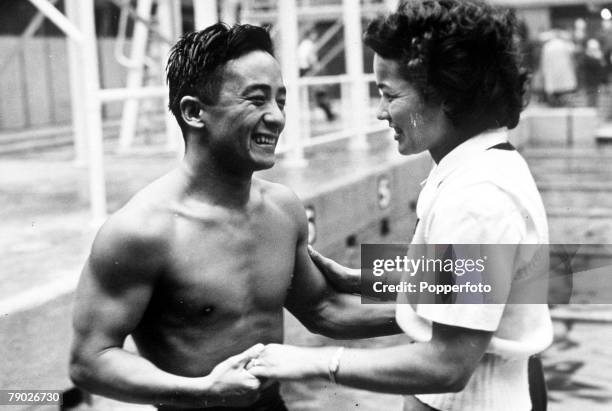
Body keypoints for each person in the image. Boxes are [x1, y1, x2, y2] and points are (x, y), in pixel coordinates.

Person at [69, 23, 399, 411]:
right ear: (194, 112)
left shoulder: (282, 207)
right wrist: (203, 390)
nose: (276, 118)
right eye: (257, 100)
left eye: (281, 100)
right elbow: (89, 360)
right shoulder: (142, 231)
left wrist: (453, 304)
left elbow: (324, 309)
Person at [248, 2, 553, 411]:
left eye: (388, 95)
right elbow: (484, 285)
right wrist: (363, 279)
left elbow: (448, 364)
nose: (378, 112)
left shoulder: (476, 200)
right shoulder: (484, 167)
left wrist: (308, 361)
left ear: (444, 95)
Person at [297, 28, 337, 121]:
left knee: (318, 94)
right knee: (320, 92)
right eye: (314, 34)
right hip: (308, 70)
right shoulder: (309, 44)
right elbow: (310, 58)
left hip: (303, 70)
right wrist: (318, 67)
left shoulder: (303, 44)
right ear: (310, 34)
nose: (316, 36)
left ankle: (328, 113)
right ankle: (329, 114)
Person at [540, 29, 577, 107]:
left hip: (552, 71)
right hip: (564, 70)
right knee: (565, 88)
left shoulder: (547, 46)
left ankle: (555, 103)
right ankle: (563, 103)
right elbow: (573, 52)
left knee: (554, 88)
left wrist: (543, 71)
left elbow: (544, 61)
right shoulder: (565, 44)